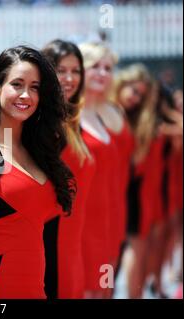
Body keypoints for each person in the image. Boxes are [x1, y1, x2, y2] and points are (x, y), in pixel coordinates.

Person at [0, 45, 75, 299]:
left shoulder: (42, 147)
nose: (25, 95)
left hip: (36, 286)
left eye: (34, 87)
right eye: (17, 84)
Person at [42, 39, 94, 299]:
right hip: (48, 238)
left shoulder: (71, 118)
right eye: (61, 70)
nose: (70, 78)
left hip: (72, 236)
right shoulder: (38, 121)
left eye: (75, 71)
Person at [112, 63, 157, 298]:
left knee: (130, 250)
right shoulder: (108, 112)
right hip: (112, 194)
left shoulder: (136, 120)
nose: (134, 96)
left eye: (140, 93)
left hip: (130, 192)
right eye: (131, 88)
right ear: (121, 83)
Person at [78, 42, 118, 298]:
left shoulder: (106, 114)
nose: (103, 73)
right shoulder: (69, 116)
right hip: (81, 224)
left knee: (105, 290)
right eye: (95, 67)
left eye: (108, 68)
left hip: (107, 221)